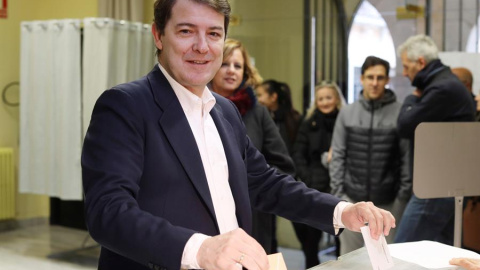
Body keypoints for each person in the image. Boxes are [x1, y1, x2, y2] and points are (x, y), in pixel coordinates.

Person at [81, 1, 396, 269]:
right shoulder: (126, 105)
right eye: (186, 31)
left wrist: (342, 211)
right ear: (158, 35)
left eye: (214, 34)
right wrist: (201, 249)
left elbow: (264, 182)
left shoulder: (226, 111)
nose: (202, 46)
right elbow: (108, 212)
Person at [210, 38, 295, 254]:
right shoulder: (196, 107)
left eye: (237, 66)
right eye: (224, 64)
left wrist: (254, 190)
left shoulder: (258, 113)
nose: (231, 71)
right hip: (207, 218)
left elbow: (283, 165)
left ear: (246, 72)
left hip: (253, 217)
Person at [395, 34, 475, 245]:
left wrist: (413, 96)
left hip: (436, 188)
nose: (404, 73)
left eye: (406, 66)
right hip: (446, 184)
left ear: (420, 62)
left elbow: (404, 125)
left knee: (401, 252)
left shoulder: (442, 88)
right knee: (443, 257)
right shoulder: (446, 83)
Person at [329, 56, 412, 255]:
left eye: (380, 78)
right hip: (352, 202)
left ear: (387, 80)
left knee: (386, 262)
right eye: (370, 77)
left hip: (387, 206)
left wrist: (400, 202)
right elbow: (338, 155)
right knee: (350, 264)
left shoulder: (400, 113)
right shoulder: (347, 113)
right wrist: (340, 197)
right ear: (362, 78)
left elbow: (406, 160)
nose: (375, 83)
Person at [291, 81, 344, 268]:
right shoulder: (308, 123)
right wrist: (308, 178)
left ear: (337, 99)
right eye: (320, 99)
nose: (324, 102)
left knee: (341, 236)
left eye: (328, 98)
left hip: (338, 186)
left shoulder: (344, 121)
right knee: (311, 238)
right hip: (314, 186)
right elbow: (298, 154)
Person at [256, 79, 302, 155]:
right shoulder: (260, 117)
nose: (258, 99)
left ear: (273, 97)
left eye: (260, 95)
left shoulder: (294, 119)